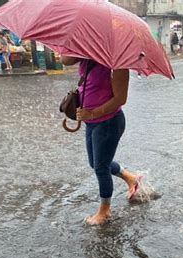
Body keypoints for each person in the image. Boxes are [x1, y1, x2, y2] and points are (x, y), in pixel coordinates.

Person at [61, 56, 142, 225]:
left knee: (100, 167)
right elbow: (65, 61)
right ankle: (130, 178)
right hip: (91, 123)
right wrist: (79, 48)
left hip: (108, 122)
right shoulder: (87, 56)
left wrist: (92, 113)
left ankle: (105, 210)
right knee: (95, 163)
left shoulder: (117, 62)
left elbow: (121, 99)